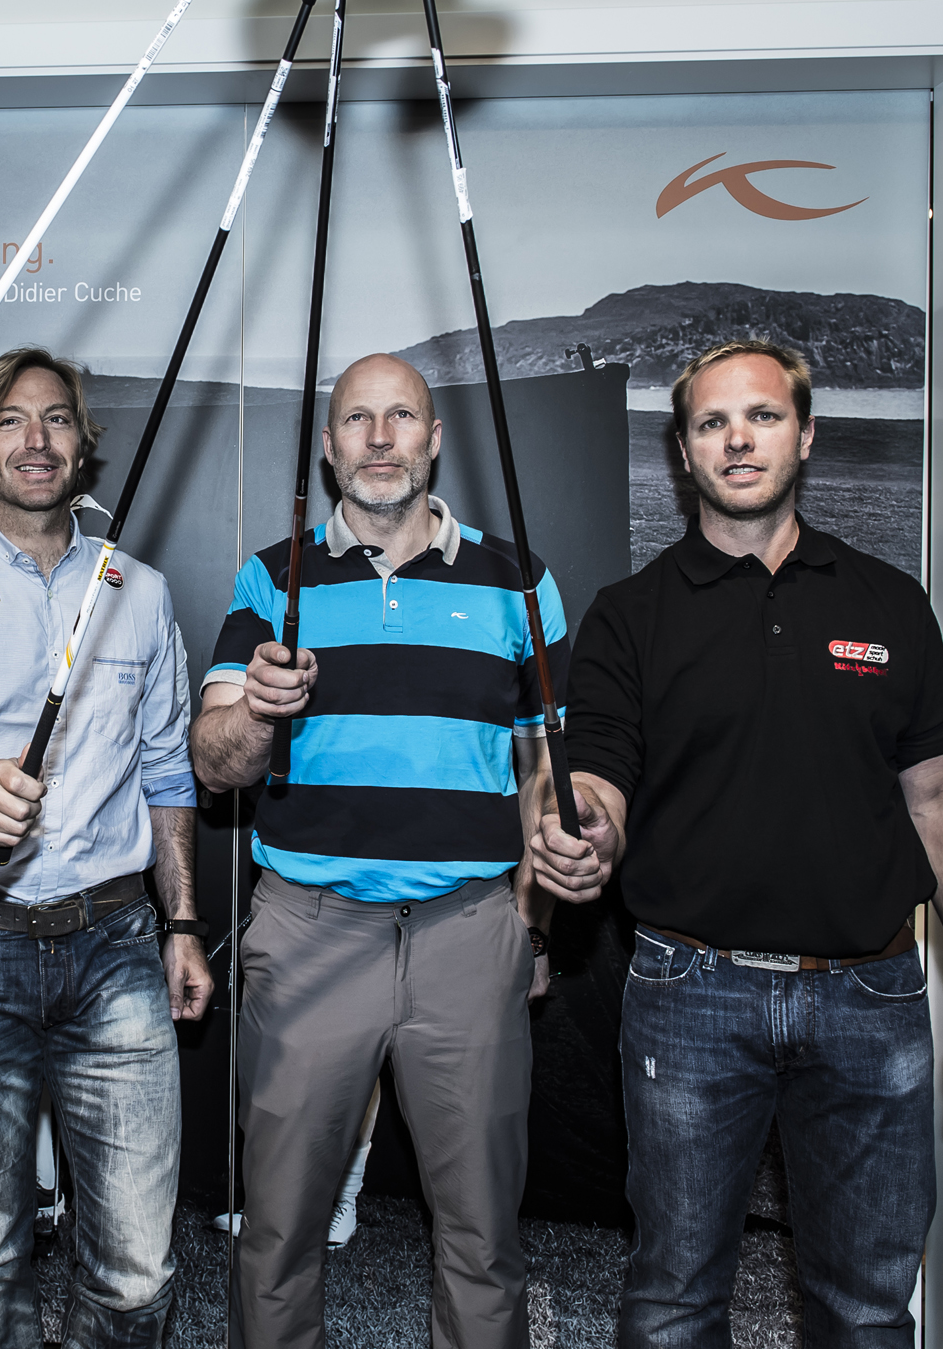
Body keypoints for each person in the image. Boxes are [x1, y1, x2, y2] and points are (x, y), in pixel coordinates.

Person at [528, 339, 943, 1348]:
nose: (737, 440)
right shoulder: (629, 615)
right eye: (711, 422)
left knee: (867, 1309)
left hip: (871, 998)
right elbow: (597, 775)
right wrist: (581, 826)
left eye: (761, 416)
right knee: (672, 1303)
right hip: (688, 996)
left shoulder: (888, 602)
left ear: (804, 436)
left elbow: (939, 795)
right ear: (682, 452)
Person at [192, 353, 567, 1349]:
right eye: (357, 418)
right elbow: (213, 763)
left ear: (433, 438)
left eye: (401, 415)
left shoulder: (519, 582)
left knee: (482, 1235)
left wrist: (532, 928)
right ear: (329, 447)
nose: (379, 436)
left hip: (469, 929)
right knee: (278, 1230)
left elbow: (545, 773)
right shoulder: (273, 577)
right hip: (310, 929)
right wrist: (257, 712)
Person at [0, 346, 212, 1349]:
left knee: (137, 1269)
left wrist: (183, 921)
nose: (36, 439)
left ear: (82, 447)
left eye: (57, 418)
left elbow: (166, 773)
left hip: (117, 948)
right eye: (10, 421)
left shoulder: (137, 592)